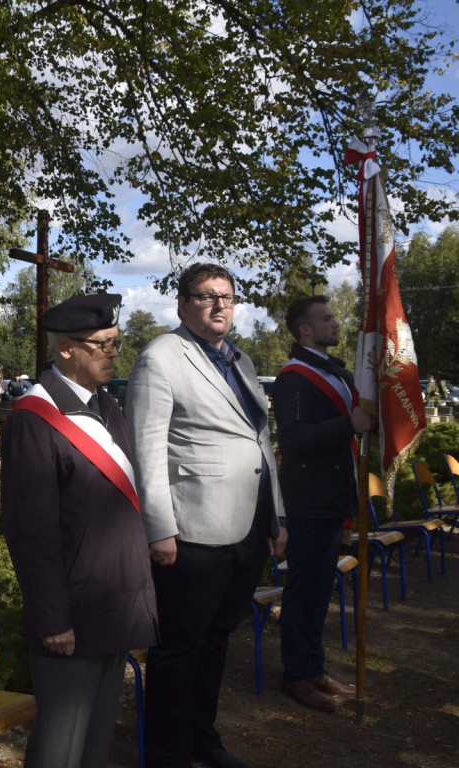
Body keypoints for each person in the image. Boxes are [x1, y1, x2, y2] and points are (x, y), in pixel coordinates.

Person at [126, 262, 286, 768]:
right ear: (182, 304)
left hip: (246, 528)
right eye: (206, 296)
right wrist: (160, 528)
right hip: (192, 532)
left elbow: (260, 442)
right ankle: (167, 753)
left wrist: (276, 518)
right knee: (180, 647)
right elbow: (146, 449)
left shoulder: (239, 360)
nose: (220, 305)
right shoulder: (160, 357)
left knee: (217, 638)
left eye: (228, 297)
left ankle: (202, 739)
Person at [1, 294, 158, 768]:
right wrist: (52, 618)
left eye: (116, 342)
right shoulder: (35, 417)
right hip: (72, 612)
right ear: (67, 348)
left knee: (93, 745)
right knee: (60, 748)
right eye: (103, 345)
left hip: (112, 602)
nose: (114, 353)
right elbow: (32, 531)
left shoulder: (107, 406)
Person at [274, 296, 376, 712]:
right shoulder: (293, 377)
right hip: (307, 501)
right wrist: (347, 425)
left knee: (320, 591)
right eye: (327, 319)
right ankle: (297, 675)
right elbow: (294, 438)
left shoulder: (335, 370)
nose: (336, 323)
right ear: (305, 330)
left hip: (334, 498)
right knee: (303, 592)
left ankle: (313, 666)